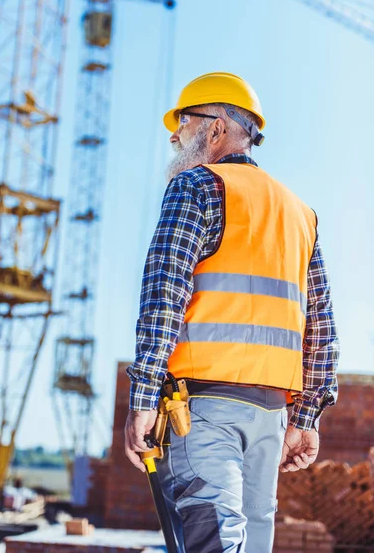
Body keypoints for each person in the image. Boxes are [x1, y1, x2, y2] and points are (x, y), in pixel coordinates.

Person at [125, 72, 339, 553]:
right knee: (251, 538)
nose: (175, 137)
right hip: (269, 419)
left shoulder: (197, 186)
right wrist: (306, 419)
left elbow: (164, 294)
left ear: (217, 127)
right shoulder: (299, 213)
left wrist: (141, 400)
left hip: (202, 411)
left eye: (182, 125)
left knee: (215, 540)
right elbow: (322, 327)